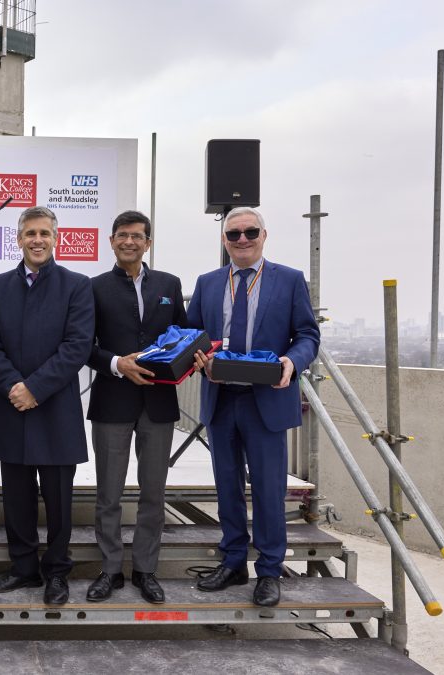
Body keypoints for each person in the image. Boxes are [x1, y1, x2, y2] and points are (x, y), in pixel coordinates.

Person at [187, 206, 320, 607]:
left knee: (267, 488)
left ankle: (268, 569)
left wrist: (292, 362)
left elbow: (308, 335)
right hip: (222, 399)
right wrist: (198, 358)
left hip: (266, 400)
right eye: (233, 235)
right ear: (224, 240)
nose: (242, 240)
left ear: (264, 235)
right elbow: (193, 336)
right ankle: (232, 562)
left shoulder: (290, 280)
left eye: (249, 232)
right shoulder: (208, 283)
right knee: (227, 486)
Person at [0, 206, 94, 606]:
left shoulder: (77, 286)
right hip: (12, 405)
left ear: (56, 238)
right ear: (19, 239)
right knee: (17, 497)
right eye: (30, 233)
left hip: (55, 408)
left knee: (60, 500)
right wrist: (14, 386)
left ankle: (57, 571)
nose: (37, 240)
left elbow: (77, 346)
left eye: (44, 233)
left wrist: (35, 389)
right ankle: (23, 568)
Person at [85, 210, 187, 604]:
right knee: (108, 493)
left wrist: (190, 358)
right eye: (122, 236)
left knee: (153, 494)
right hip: (112, 400)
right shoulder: (93, 287)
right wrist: (117, 364)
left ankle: (146, 569)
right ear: (111, 241)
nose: (129, 242)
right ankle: (109, 569)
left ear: (148, 243)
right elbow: (84, 347)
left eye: (137, 236)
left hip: (159, 403)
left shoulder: (169, 284)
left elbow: (182, 334)